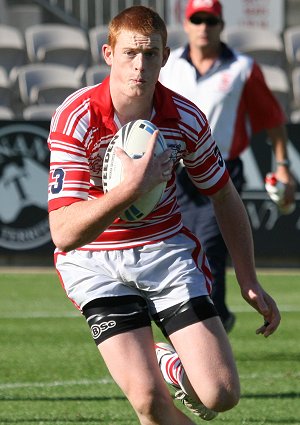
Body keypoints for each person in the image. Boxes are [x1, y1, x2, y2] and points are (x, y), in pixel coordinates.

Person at [47, 6, 281, 425]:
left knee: (221, 395)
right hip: (95, 263)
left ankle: (167, 362)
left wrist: (248, 278)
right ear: (108, 53)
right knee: (149, 400)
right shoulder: (76, 117)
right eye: (130, 53)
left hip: (164, 254)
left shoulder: (185, 118)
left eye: (150, 54)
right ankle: (154, 368)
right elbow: (63, 233)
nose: (140, 66)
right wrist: (131, 189)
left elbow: (224, 196)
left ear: (166, 56)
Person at [159, 0, 295, 332]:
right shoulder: (167, 65)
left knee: (208, 246)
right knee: (173, 250)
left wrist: (282, 165)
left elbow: (273, 120)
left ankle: (210, 324)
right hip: (170, 173)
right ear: (187, 24)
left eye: (211, 20)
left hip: (218, 172)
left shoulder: (243, 68)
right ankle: (208, 317)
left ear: (221, 25)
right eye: (197, 19)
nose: (204, 26)